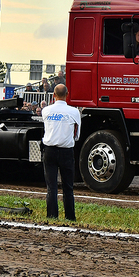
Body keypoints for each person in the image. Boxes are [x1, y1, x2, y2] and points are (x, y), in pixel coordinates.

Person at [41, 84, 80, 221]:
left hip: (49, 150)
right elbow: (77, 135)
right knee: (68, 187)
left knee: (51, 187)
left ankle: (52, 216)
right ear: (67, 95)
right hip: (66, 151)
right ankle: (70, 217)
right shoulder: (74, 112)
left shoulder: (46, 111)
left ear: (53, 95)